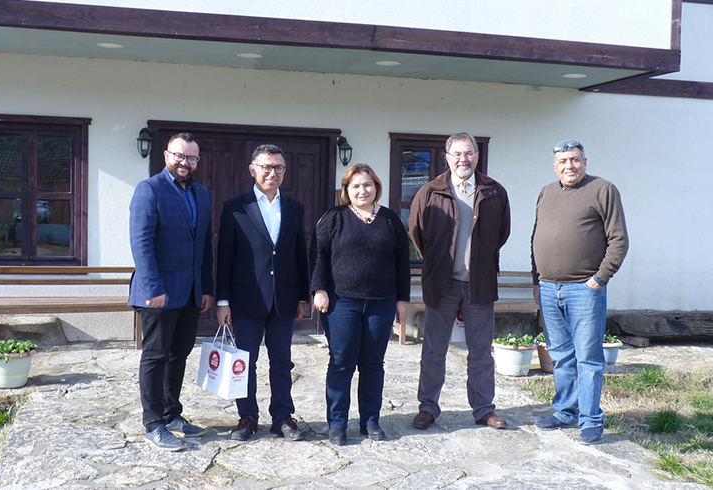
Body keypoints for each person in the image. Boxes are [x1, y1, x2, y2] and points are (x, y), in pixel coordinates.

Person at [408, 132, 511, 431]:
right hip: (442, 284)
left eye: (468, 153)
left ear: (477, 156)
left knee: (481, 351)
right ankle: (428, 407)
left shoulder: (494, 191)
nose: (463, 159)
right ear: (447, 157)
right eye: (457, 154)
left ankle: (483, 409)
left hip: (479, 283)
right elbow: (418, 233)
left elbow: (501, 234)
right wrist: (440, 262)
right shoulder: (429, 192)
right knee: (433, 350)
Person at [530, 139, 628, 445]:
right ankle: (565, 412)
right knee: (560, 357)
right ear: (555, 165)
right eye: (562, 161)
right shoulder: (546, 192)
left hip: (585, 289)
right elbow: (535, 237)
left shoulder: (603, 189)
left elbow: (619, 240)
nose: (568, 166)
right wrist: (537, 279)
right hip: (549, 288)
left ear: (585, 162)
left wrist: (600, 278)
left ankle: (590, 419)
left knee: (588, 358)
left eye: (574, 160)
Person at [310, 164, 410, 445]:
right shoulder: (334, 217)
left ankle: (370, 421)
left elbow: (402, 262)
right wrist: (319, 289)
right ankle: (338, 423)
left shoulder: (390, 220)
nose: (361, 190)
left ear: (376, 187)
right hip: (342, 303)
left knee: (373, 364)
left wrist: (402, 300)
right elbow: (318, 255)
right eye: (355, 186)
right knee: (341, 363)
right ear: (346, 191)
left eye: (367, 185)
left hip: (381, 304)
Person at [216, 144, 310, 442]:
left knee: (281, 361)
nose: (273, 173)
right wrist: (222, 300)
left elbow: (299, 254)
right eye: (267, 167)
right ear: (252, 169)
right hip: (246, 299)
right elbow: (225, 257)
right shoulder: (235, 207)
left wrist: (303, 296)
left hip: (284, 300)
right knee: (245, 361)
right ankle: (248, 416)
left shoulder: (295, 207)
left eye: (279, 167)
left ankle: (282, 416)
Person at [129, 132, 213, 451]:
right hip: (158, 293)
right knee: (155, 356)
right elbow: (142, 243)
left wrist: (205, 288)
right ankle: (153, 423)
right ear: (166, 156)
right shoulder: (149, 190)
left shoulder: (202, 194)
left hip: (190, 293)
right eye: (179, 155)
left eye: (191, 157)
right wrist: (153, 287)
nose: (184, 162)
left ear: (197, 161)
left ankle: (171, 413)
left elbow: (205, 245)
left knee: (179, 354)